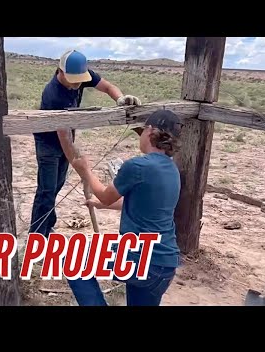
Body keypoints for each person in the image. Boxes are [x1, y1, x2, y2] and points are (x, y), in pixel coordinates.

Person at [66, 108, 183, 306]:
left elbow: (105, 194)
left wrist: (85, 171)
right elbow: (146, 204)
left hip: (141, 258)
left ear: (149, 131)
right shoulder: (172, 169)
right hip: (165, 265)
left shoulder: (138, 166)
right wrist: (102, 205)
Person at [29, 49, 141, 237]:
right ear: (61, 72)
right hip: (48, 142)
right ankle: (38, 235)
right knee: (47, 190)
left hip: (66, 136)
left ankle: (48, 225)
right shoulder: (53, 95)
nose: (78, 84)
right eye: (74, 80)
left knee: (57, 185)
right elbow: (63, 135)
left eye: (81, 80)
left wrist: (120, 98)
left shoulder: (82, 75)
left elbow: (107, 87)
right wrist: (78, 164)